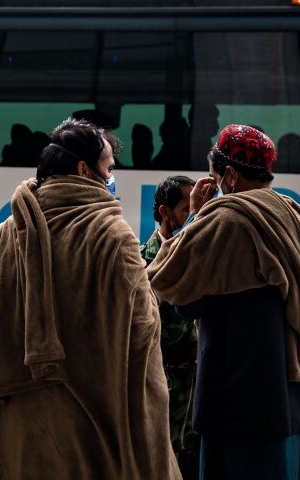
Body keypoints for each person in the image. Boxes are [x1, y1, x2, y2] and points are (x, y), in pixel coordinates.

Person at [0, 118, 180, 479]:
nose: (112, 178)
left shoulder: (1, 236)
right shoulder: (112, 234)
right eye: (109, 169)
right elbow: (142, 340)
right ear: (84, 169)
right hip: (94, 430)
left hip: (23, 429)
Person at [147, 125, 300, 480]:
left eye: (214, 177)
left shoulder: (227, 221)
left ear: (229, 174)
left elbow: (171, 287)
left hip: (238, 408)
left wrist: (194, 215)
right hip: (296, 401)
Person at [140, 175, 199, 479]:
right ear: (165, 213)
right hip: (164, 393)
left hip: (197, 395)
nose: (195, 216)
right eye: (187, 208)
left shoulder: (201, 260)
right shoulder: (140, 262)